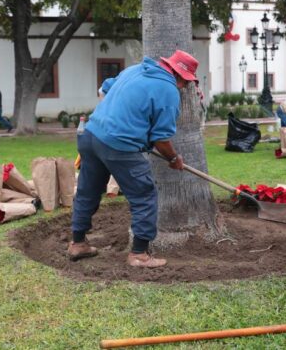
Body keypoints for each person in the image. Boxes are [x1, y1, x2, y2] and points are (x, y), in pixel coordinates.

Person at [68, 49, 198, 268]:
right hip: (120, 146)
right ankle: (139, 254)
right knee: (144, 195)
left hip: (90, 135)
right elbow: (161, 138)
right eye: (186, 82)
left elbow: (104, 89)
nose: (185, 87)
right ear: (179, 76)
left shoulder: (136, 69)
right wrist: (174, 158)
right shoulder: (168, 90)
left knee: (87, 191)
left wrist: (114, 118)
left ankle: (78, 243)